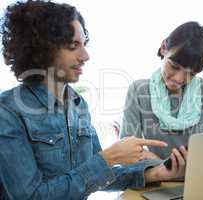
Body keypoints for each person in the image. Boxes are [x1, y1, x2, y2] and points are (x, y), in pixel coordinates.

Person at [0, 1, 185, 199]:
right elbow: (30, 196)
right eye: (73, 46)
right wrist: (107, 158)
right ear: (41, 50)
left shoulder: (78, 105)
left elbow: (97, 175)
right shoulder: (8, 111)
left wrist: (156, 173)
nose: (85, 56)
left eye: (84, 45)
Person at [120, 21, 203, 160]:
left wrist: (156, 161)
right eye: (174, 67)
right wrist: (164, 169)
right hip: (158, 180)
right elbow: (126, 154)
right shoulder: (139, 91)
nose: (179, 78)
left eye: (192, 73)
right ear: (163, 47)